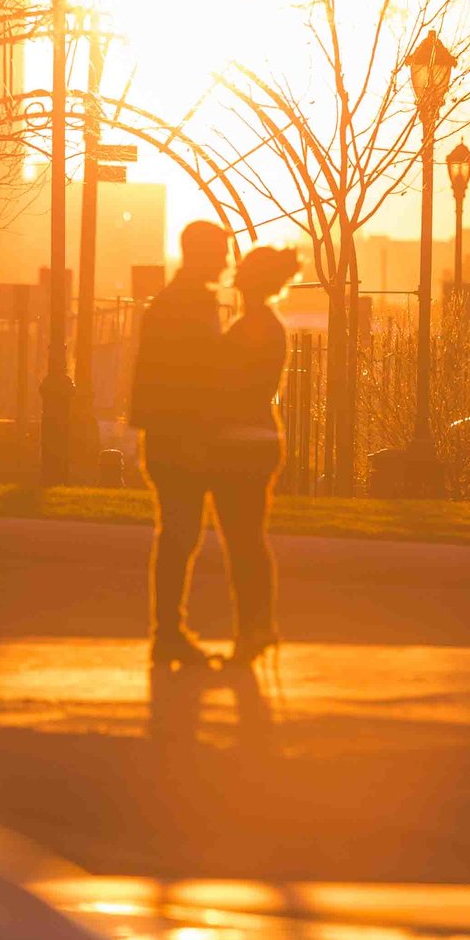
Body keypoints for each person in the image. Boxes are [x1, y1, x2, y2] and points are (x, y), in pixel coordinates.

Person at [129, 220, 231, 667]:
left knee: (179, 535)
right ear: (201, 254)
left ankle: (168, 629)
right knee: (179, 535)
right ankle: (167, 631)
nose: (227, 261)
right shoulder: (184, 306)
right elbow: (191, 375)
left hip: (174, 435)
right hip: (180, 438)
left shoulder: (178, 302)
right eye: (221, 252)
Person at [207, 244, 298, 667]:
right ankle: (259, 626)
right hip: (260, 439)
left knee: (240, 542)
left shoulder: (251, 327)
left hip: (237, 443)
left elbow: (223, 382)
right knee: (250, 540)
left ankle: (252, 629)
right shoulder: (270, 326)